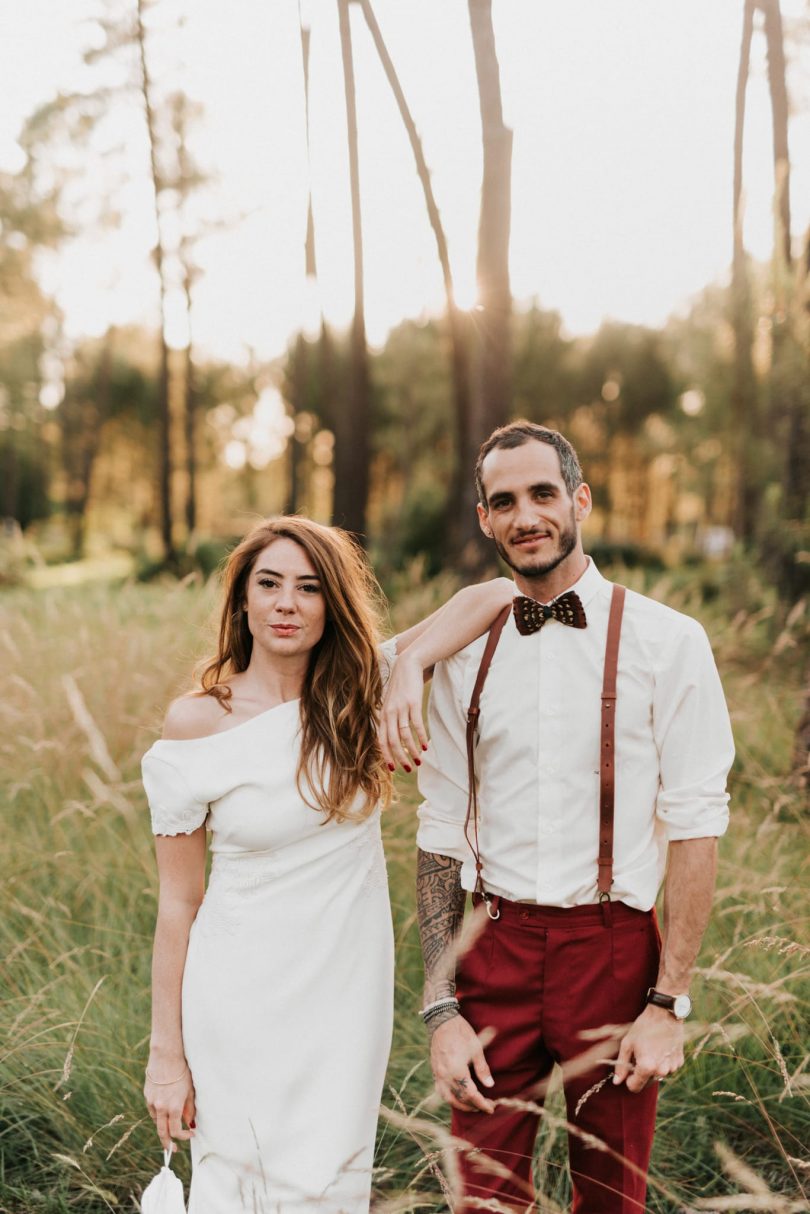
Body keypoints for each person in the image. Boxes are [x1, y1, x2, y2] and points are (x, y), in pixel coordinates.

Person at [397, 422, 735, 1213]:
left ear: (579, 500)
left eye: (543, 494)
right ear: (484, 519)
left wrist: (667, 1004)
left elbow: (696, 828)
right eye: (503, 501)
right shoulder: (457, 653)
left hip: (615, 957)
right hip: (492, 952)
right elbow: (441, 831)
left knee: (613, 1202)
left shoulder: (671, 642)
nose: (526, 517)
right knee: (482, 1202)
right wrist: (442, 1007)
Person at [141, 515, 512, 1214]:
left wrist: (408, 664)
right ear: (243, 600)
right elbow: (177, 904)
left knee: (330, 1184)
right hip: (236, 997)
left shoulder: (356, 691)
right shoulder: (196, 724)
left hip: (344, 992)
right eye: (270, 584)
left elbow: (490, 596)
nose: (287, 603)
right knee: (237, 1182)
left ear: (330, 604)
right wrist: (168, 1056)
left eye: (310, 588)